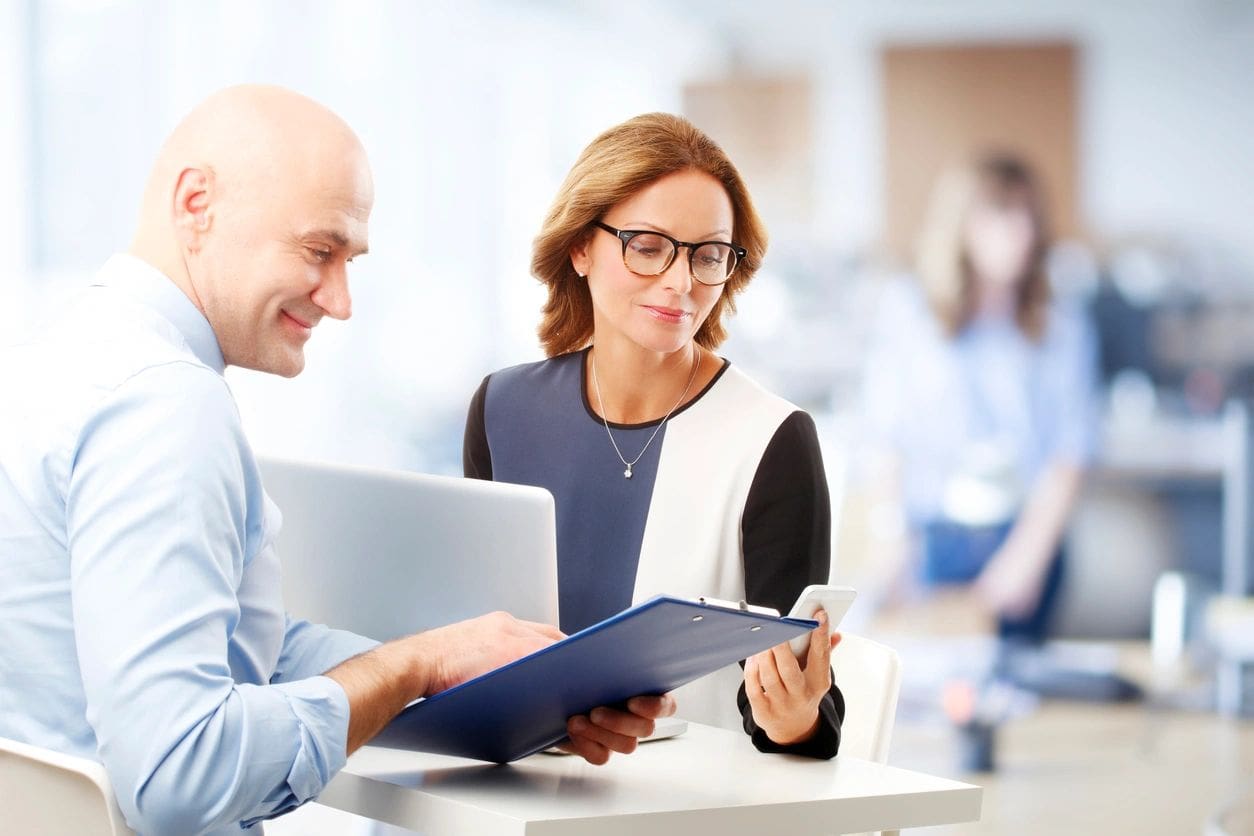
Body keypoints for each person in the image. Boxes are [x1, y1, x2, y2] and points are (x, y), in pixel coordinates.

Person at [0, 85, 672, 836]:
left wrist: (460, 675)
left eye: (350, 260)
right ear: (197, 205)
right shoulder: (166, 405)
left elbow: (230, 647)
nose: (342, 300)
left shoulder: (51, 364)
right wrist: (408, 667)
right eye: (319, 250)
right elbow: (179, 772)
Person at [464, 113, 844, 758]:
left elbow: (802, 708)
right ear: (581, 247)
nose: (681, 281)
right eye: (647, 245)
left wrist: (792, 719)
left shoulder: (773, 440)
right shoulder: (502, 409)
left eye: (709, 254)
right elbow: (472, 640)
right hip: (513, 790)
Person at [859, 153, 1099, 644]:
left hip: (1023, 537)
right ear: (962, 225)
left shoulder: (1062, 325)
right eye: (1000, 214)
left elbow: (1069, 452)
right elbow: (884, 436)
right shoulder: (910, 312)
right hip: (933, 540)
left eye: (1026, 216)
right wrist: (890, 540)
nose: (1018, 232)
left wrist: (1026, 560)